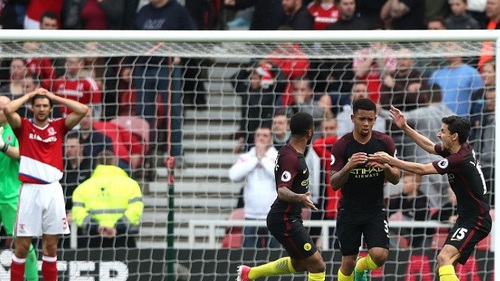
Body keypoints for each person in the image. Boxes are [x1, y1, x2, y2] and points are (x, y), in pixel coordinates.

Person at [368, 107, 492, 281]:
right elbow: (429, 147)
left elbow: (422, 169)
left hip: (477, 220)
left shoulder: (459, 160)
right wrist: (404, 127)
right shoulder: (457, 149)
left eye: (442, 131)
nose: (438, 134)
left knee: (444, 258)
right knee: (440, 268)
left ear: (454, 136)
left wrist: (390, 159)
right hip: (466, 218)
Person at [4, 88, 89, 281]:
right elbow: (8, 109)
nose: (41, 109)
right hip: (29, 191)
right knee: (22, 247)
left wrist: (53, 96)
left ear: (50, 108)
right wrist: (29, 95)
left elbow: (83, 109)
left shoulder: (58, 127)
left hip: (52, 191)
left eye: (45, 106)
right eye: (38, 105)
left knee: (51, 247)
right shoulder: (23, 126)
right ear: (32, 108)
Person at [237, 112, 326, 281]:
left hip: (289, 216)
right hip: (284, 218)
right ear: (310, 132)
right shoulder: (291, 157)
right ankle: (250, 274)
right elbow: (282, 190)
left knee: (300, 264)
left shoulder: (290, 152)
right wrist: (299, 198)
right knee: (317, 265)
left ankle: (250, 274)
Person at [329, 98, 400, 281]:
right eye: (362, 119)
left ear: (375, 119)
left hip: (374, 209)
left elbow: (396, 177)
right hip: (349, 209)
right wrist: (348, 166)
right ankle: (355, 266)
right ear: (353, 118)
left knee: (380, 255)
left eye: (370, 119)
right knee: (348, 261)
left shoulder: (385, 143)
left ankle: (362, 266)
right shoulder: (342, 145)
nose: (366, 124)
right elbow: (334, 183)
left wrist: (385, 166)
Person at [0, 96, 38, 281]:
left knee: (22, 244)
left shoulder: (18, 129)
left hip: (11, 195)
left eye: (4, 108)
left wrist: (3, 145)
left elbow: (23, 155)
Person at [72, 150, 144, 248]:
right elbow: (136, 210)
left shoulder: (82, 188)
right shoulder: (132, 185)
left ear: (97, 164)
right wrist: (118, 227)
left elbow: (78, 213)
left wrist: (96, 227)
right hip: (124, 238)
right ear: (115, 162)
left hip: (93, 240)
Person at [229, 127, 280, 248]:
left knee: (275, 257)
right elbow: (234, 175)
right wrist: (256, 159)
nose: (261, 138)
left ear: (271, 139)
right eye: (258, 135)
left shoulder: (278, 156)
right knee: (249, 257)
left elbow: (279, 175)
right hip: (251, 216)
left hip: (273, 216)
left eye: (265, 135)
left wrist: (262, 159)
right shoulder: (246, 157)